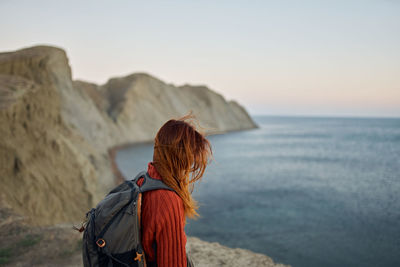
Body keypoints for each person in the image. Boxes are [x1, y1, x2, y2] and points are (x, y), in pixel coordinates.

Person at [136, 115, 212, 267]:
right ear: (181, 157)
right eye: (191, 157)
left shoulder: (143, 180)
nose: (191, 164)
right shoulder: (168, 200)